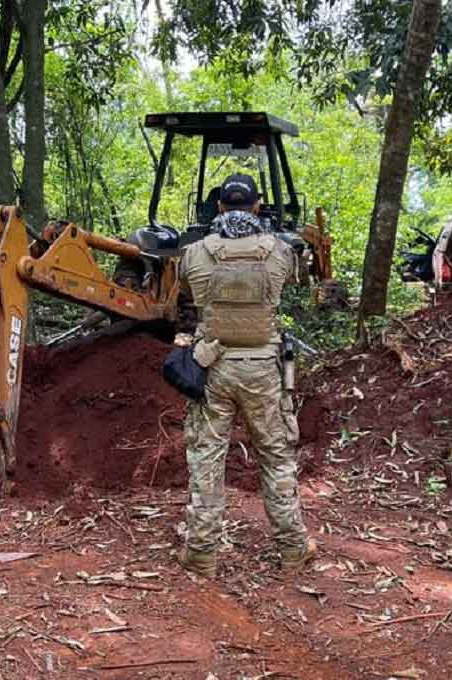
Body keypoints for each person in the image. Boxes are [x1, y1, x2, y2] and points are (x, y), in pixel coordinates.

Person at [176, 174, 315, 577]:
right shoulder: (279, 253)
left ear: (218, 206)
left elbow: (184, 291)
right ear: (257, 206)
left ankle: (202, 553)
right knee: (275, 456)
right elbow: (296, 279)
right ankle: (292, 548)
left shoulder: (195, 253)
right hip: (264, 370)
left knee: (207, 458)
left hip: (211, 366)